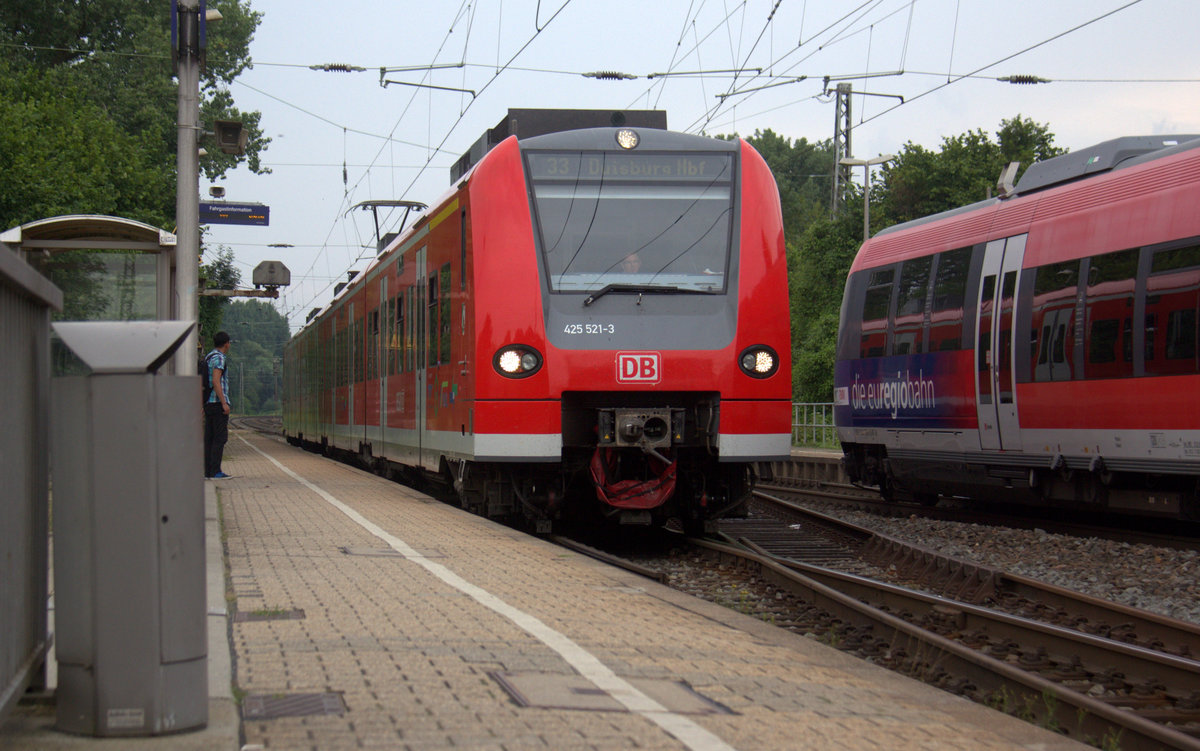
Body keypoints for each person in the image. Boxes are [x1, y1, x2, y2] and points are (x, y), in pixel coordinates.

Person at [204, 331, 234, 479]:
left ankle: (208, 471)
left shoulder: (208, 357)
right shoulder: (219, 358)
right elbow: (216, 381)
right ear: (226, 344)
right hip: (217, 403)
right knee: (219, 438)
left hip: (208, 403)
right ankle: (216, 471)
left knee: (209, 438)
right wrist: (224, 403)